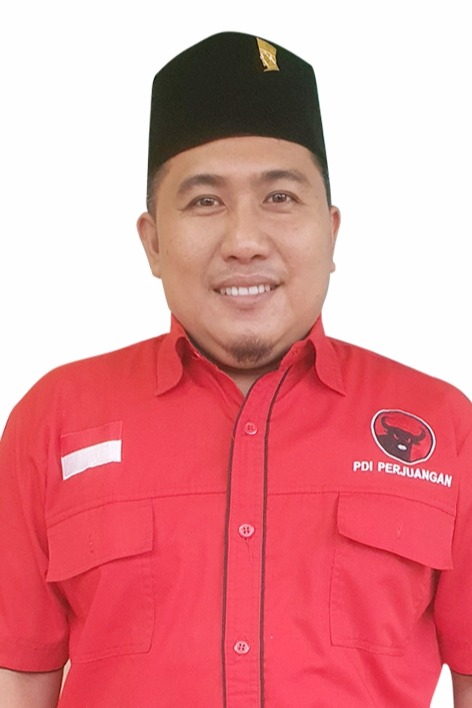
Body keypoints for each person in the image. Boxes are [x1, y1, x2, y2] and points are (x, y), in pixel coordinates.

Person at [0, 30, 471, 708]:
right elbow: (17, 677)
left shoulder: (444, 426)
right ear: (152, 242)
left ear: (332, 232)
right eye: (204, 201)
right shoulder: (55, 419)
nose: (244, 241)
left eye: (280, 198)